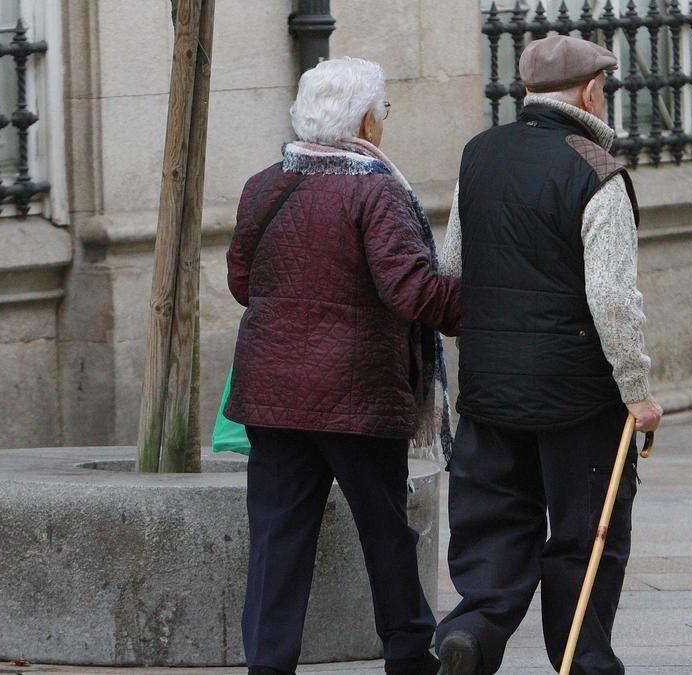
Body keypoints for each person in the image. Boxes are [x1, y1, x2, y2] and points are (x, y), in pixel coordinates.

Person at [434, 36, 663, 675]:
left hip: (489, 384)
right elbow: (613, 298)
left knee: (495, 521)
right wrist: (637, 389)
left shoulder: (479, 155)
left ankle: (475, 632)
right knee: (586, 534)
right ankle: (583, 658)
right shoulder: (595, 171)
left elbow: (451, 265)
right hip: (577, 394)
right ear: (590, 91)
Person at [224, 57, 459, 675]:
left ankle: (268, 665)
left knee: (277, 538)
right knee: (384, 530)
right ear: (362, 119)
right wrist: (491, 304)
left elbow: (243, 283)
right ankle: (409, 652)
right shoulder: (375, 190)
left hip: (272, 395)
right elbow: (412, 291)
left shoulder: (264, 184)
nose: (385, 118)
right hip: (355, 396)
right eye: (383, 107)